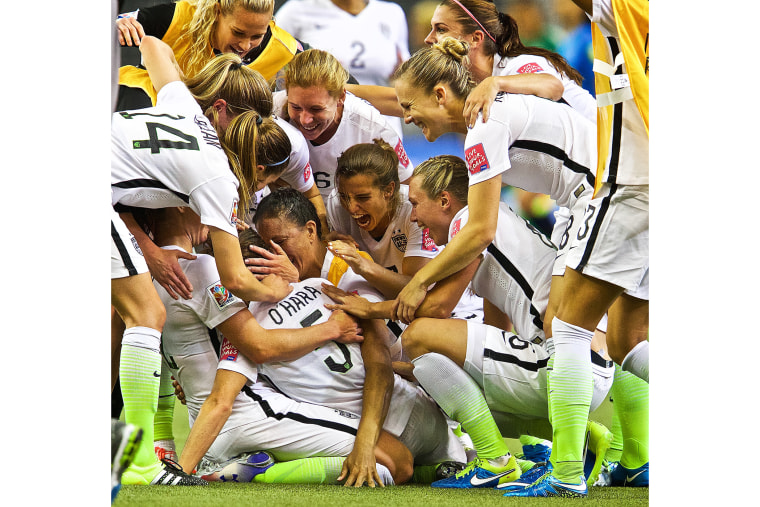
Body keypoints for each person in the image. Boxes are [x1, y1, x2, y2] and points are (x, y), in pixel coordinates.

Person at [322, 155, 614, 489]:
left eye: (416, 204)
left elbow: (437, 309)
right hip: (582, 363)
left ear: (444, 200)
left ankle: (495, 461)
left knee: (418, 338)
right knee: (442, 373)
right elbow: (497, 315)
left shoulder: (468, 223)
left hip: (567, 365)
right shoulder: (494, 217)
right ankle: (575, 440)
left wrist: (369, 309)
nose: (413, 215)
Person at [111, 35, 291, 487]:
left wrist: (138, 30)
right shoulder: (219, 176)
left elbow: (158, 54)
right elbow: (233, 276)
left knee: (129, 318)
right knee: (145, 315)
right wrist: (275, 289)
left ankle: (139, 455)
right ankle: (143, 465)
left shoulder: (187, 108)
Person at [141, 205, 413, 487]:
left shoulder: (149, 275)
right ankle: (258, 474)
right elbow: (256, 349)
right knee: (396, 461)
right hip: (244, 412)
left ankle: (243, 464)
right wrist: (323, 323)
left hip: (208, 422)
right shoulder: (205, 270)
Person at [502, 0, 649, 497]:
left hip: (630, 181)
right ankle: (636, 462)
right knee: (631, 337)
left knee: (565, 324)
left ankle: (566, 475)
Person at [248, 188, 468, 478]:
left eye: (280, 242)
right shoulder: (284, 290)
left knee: (398, 466)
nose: (274, 255)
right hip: (362, 414)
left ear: (311, 230)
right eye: (264, 247)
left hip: (404, 401)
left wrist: (364, 442)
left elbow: (380, 364)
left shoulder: (347, 273)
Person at [390, 37, 596, 327]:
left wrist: (419, 282)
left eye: (408, 106)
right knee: (621, 338)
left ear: (439, 95)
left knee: (562, 326)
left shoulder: (484, 125)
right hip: (586, 197)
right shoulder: (485, 119)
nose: (407, 118)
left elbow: (481, 231)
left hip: (600, 193)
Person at [325, 140, 483, 323]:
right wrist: (327, 244)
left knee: (414, 336)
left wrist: (364, 268)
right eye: (344, 197)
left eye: (363, 198)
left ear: (389, 190)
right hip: (394, 308)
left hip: (450, 313)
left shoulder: (418, 213)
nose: (351, 208)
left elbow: (422, 298)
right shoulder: (337, 206)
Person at [271, 49, 413, 205]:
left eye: (316, 109)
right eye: (296, 107)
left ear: (341, 97)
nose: (305, 120)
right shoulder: (271, 110)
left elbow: (408, 189)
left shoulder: (372, 126)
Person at [115, 0, 302, 108]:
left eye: (257, 36)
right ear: (218, 11)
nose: (245, 45)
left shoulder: (285, 49)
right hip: (150, 111)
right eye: (237, 32)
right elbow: (116, 23)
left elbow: (325, 71)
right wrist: (118, 25)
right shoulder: (182, 18)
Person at [274, 0, 411, 137]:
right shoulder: (294, 12)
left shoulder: (392, 14)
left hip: (382, 130)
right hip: (320, 131)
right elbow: (273, 67)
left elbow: (403, 78)